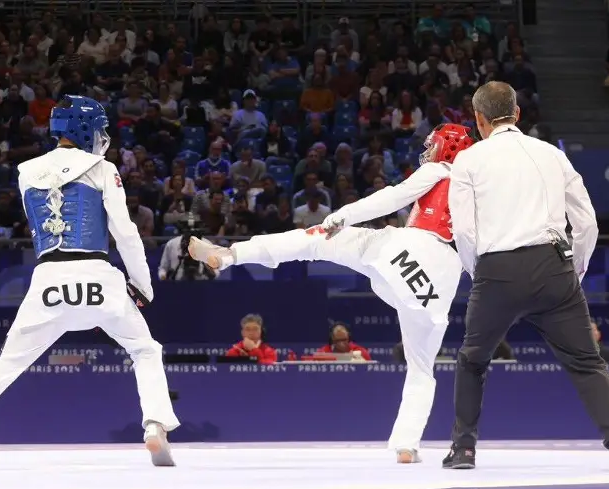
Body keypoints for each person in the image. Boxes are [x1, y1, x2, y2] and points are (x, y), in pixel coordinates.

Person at [0, 95, 179, 470]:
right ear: (84, 129)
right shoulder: (103, 169)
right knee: (145, 349)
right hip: (98, 276)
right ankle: (155, 426)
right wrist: (143, 285)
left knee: (7, 363)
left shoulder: (25, 172)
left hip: (48, 281)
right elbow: (126, 233)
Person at [189, 123, 474, 464]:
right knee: (422, 368)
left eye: (435, 145)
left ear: (448, 149)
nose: (428, 151)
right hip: (438, 285)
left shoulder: (440, 169)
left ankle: (230, 255)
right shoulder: (480, 191)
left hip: (405, 252)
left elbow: (393, 196)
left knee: (315, 240)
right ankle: (406, 444)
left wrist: (343, 215)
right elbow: (475, 250)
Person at [445, 81, 609, 471]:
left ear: (478, 119)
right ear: (517, 114)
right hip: (554, 269)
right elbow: (586, 222)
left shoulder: (469, 160)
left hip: (496, 271)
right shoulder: (551, 155)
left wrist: (480, 273)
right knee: (587, 362)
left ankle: (463, 450)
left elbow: (464, 231)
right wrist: (576, 269)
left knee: (473, 361)